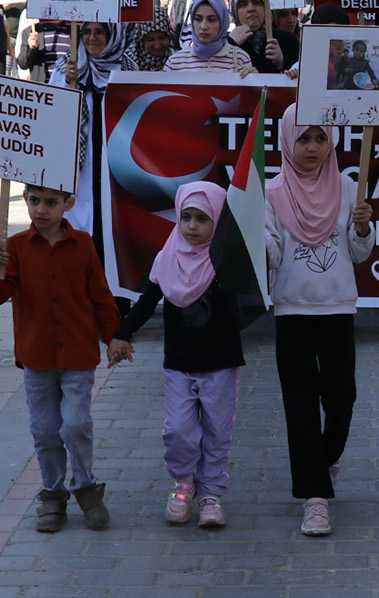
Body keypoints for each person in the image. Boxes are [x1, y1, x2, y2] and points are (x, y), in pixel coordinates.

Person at [0, 183, 121, 533]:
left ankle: (87, 487)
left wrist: (115, 335)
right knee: (44, 430)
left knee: (75, 424)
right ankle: (53, 494)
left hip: (77, 353)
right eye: (34, 201)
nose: (41, 209)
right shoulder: (14, 247)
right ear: (25, 200)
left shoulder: (84, 244)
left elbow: (101, 293)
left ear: (68, 204)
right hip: (37, 355)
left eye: (50, 202)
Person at [265, 104, 374, 537]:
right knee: (301, 407)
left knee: (342, 399)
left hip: (337, 309)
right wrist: (255, 231)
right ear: (287, 140)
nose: (312, 147)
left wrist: (363, 228)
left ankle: (324, 462)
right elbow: (271, 257)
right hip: (292, 311)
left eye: (320, 138)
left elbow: (358, 253)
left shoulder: (349, 187)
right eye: (303, 138)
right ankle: (314, 497)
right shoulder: (272, 192)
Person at [112, 182, 245, 529]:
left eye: (202, 219)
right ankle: (184, 484)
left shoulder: (226, 260)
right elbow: (146, 303)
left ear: (218, 222)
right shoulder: (167, 258)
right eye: (186, 217)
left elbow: (251, 293)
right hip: (179, 365)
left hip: (220, 363)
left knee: (217, 431)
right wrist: (121, 335)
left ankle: (211, 495)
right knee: (179, 431)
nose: (191, 226)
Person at [54, 23, 127, 316]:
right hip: (81, 173)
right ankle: (83, 311)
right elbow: (52, 114)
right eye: (86, 32)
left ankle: (116, 311)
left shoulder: (126, 67)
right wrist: (66, 83)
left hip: (116, 169)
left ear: (113, 36)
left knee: (114, 238)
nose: (92, 38)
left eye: (100, 32)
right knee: (83, 236)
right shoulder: (66, 67)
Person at [163, 0, 255, 75]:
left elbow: (247, 95)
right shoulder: (174, 63)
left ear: (223, 22)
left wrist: (254, 84)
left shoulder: (240, 58)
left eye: (211, 20)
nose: (203, 26)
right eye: (198, 19)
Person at [230, 0, 300, 73]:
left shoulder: (288, 40)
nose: (251, 8)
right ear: (235, 10)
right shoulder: (226, 44)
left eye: (257, 2)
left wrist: (282, 64)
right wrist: (231, 44)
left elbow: (302, 78)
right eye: (243, 4)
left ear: (266, 7)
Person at [16, 18, 71, 83]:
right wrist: (32, 49)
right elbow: (23, 64)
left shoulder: (74, 31)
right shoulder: (32, 31)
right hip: (42, 89)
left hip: (67, 88)